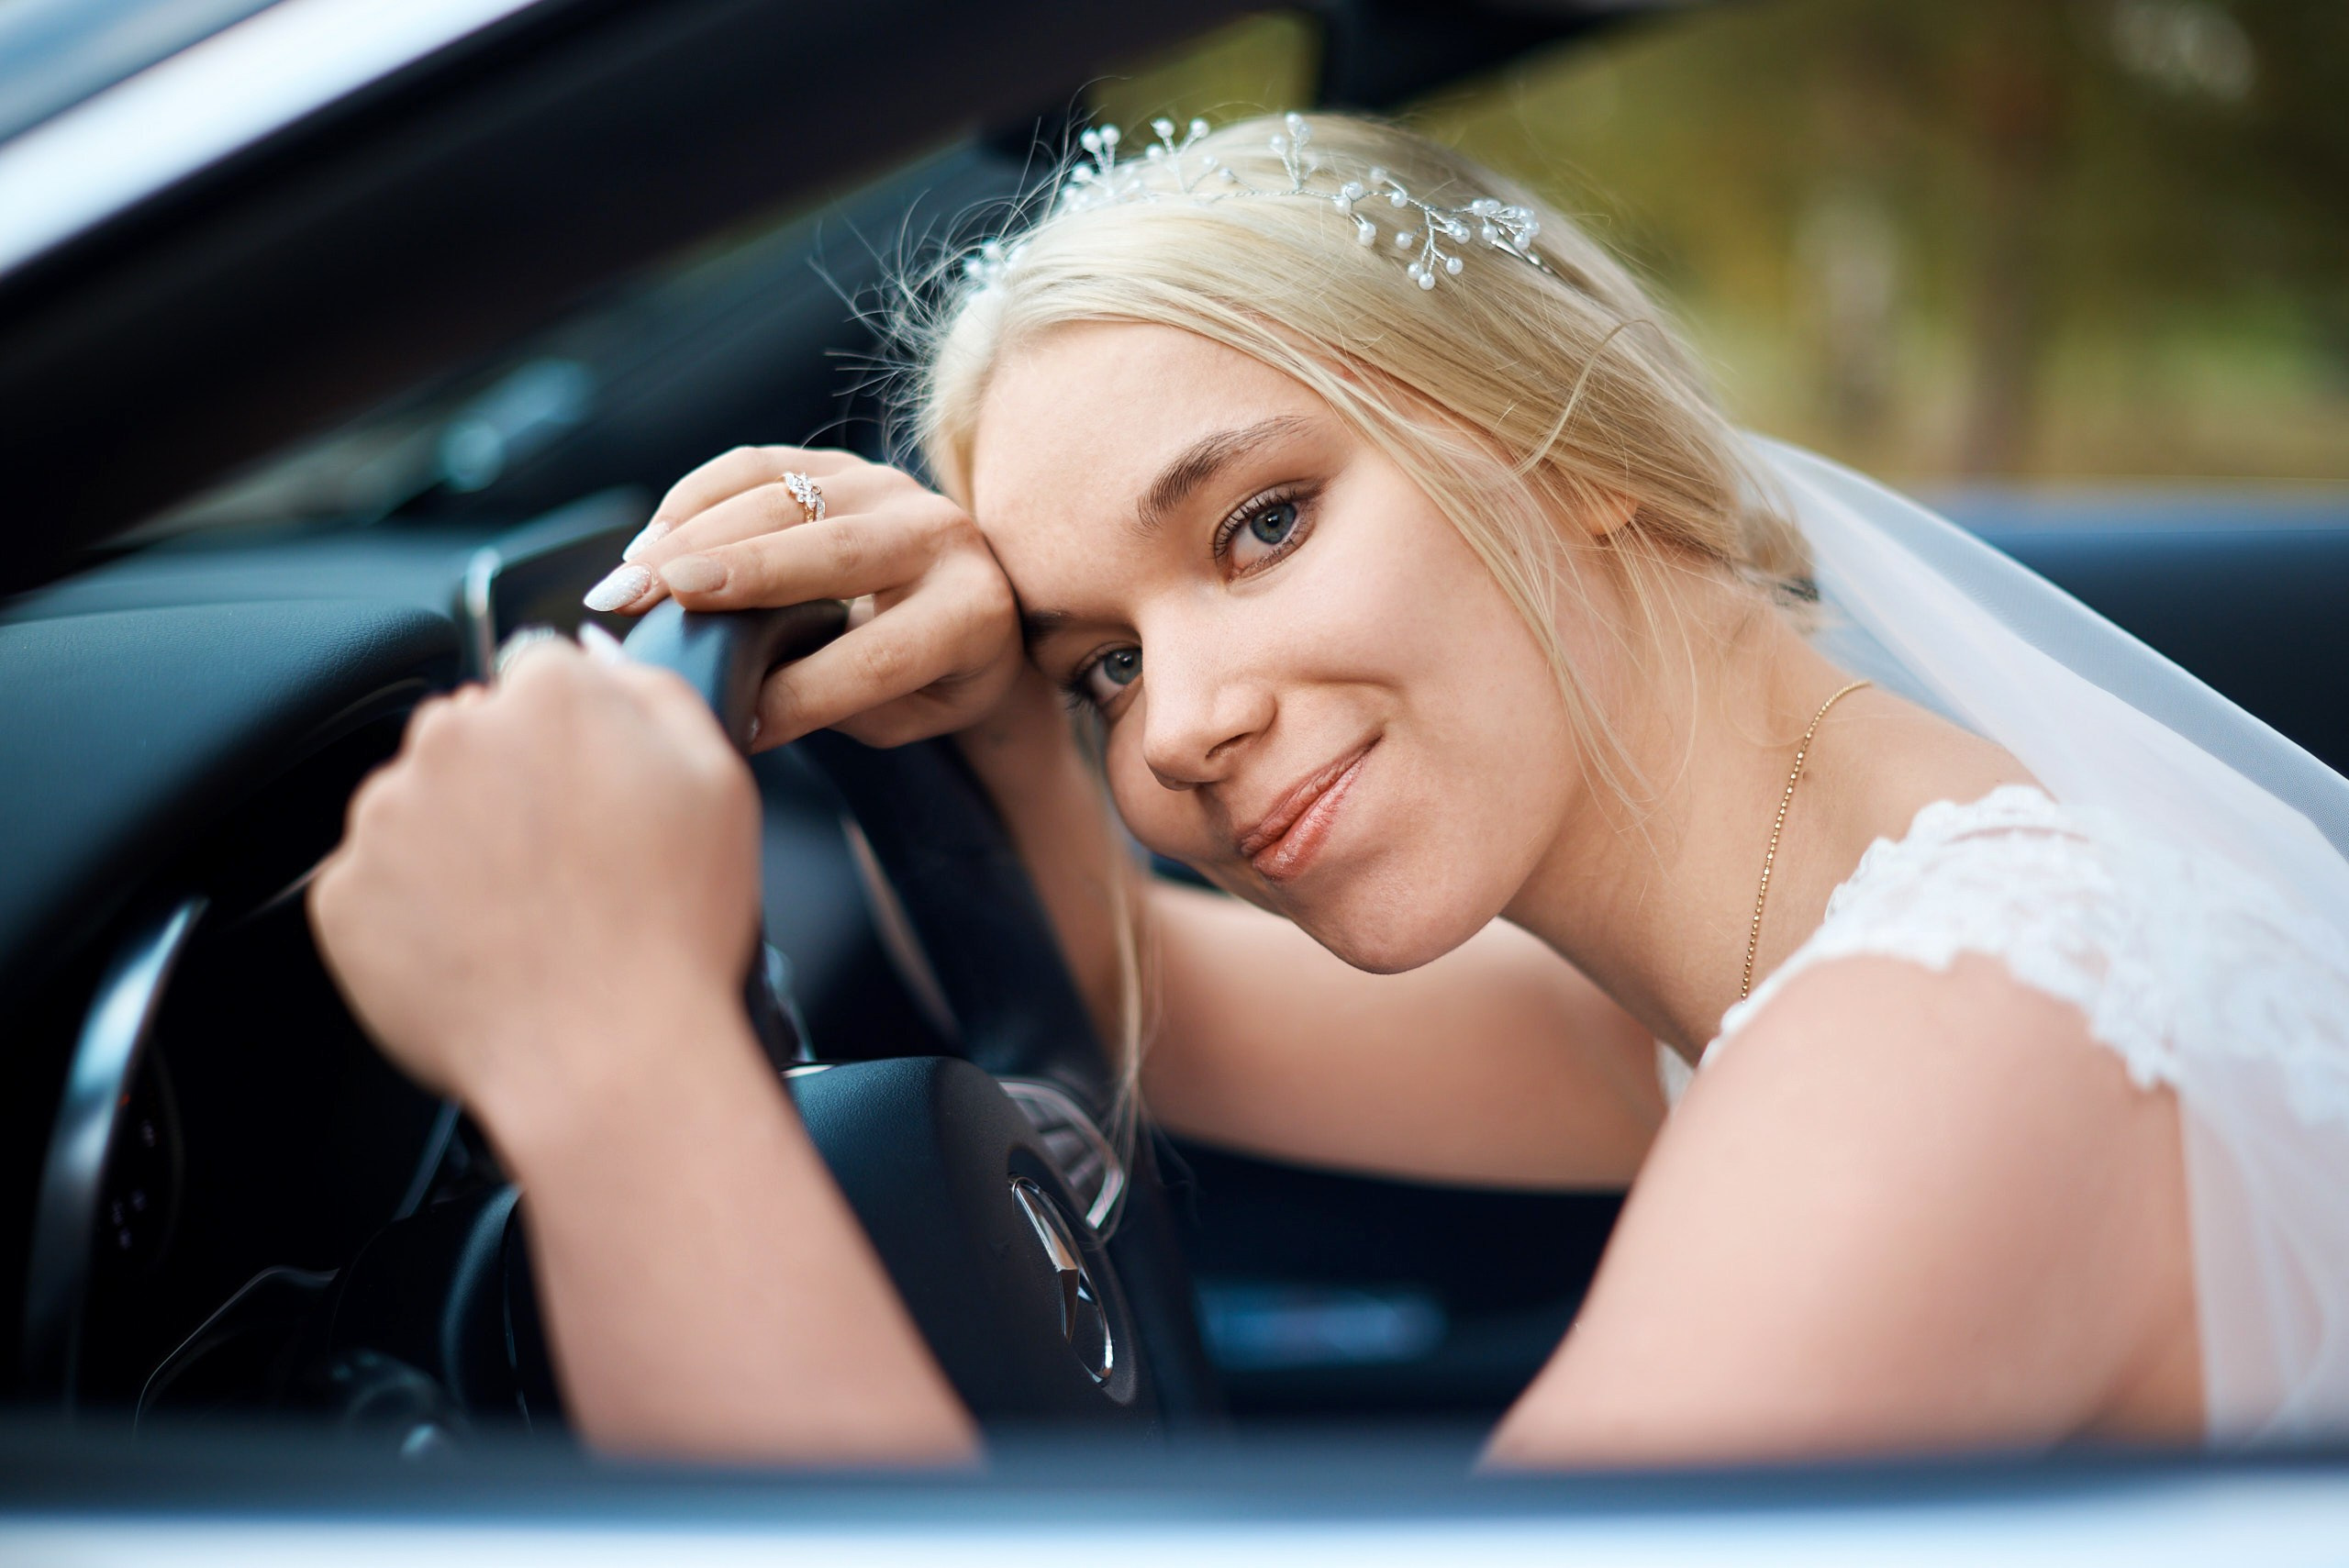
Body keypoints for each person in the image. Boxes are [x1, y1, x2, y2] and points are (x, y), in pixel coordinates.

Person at [306, 113, 2349, 1465]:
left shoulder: (1946, 1045)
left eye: (1261, 521)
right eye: (1105, 656)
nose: (1171, 729)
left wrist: (611, 1058)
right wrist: (1003, 721)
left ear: (1578, 441)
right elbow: (1146, 1019)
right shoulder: (1799, 932)